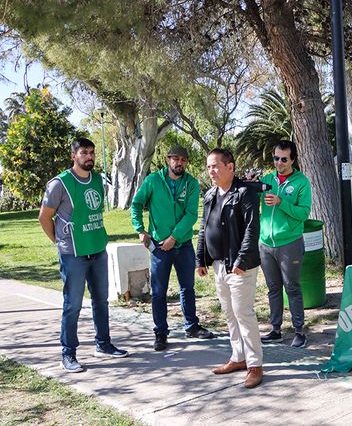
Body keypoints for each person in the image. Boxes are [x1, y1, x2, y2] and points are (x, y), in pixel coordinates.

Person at [38, 138, 129, 373]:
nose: (89, 156)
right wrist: (59, 242)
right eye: (83, 153)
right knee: (73, 305)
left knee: (101, 301)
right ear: (73, 156)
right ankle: (68, 354)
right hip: (74, 254)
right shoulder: (60, 183)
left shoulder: (98, 179)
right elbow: (44, 217)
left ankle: (104, 344)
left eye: (91, 152)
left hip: (97, 249)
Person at [131, 145, 214, 351]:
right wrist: (141, 230)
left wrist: (174, 238)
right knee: (159, 292)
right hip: (159, 247)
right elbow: (136, 204)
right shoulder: (153, 181)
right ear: (168, 160)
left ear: (186, 162)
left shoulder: (192, 184)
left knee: (188, 287)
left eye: (183, 159)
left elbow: (191, 215)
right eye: (175, 159)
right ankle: (160, 332)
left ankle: (191, 326)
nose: (179, 163)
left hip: (183, 245)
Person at [196, 148, 263, 388]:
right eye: (208, 167)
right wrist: (200, 259)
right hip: (218, 265)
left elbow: (252, 230)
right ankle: (238, 357)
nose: (211, 171)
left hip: (239, 267)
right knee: (229, 314)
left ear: (230, 167)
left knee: (243, 313)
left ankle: (255, 365)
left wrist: (241, 261)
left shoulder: (245, 193)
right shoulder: (210, 194)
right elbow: (204, 227)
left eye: (215, 166)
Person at [258, 140, 312, 348]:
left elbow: (304, 213)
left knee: (292, 287)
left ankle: (299, 331)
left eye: (283, 159)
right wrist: (252, 184)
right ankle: (276, 330)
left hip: (290, 242)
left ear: (293, 160)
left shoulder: (301, 182)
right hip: (266, 244)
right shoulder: (267, 180)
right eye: (275, 158)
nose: (279, 163)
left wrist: (282, 203)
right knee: (273, 288)